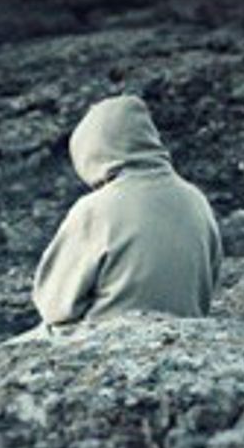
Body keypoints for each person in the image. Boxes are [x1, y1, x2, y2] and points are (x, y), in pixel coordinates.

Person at [30, 93, 222, 333]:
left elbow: (55, 307)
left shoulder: (96, 208)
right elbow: (208, 285)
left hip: (109, 339)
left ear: (91, 151)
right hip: (187, 336)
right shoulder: (196, 199)